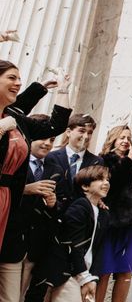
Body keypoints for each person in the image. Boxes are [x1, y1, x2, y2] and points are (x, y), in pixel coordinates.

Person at [0, 61, 72, 300]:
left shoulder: (15, 118)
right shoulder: (6, 121)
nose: (18, 83)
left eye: (20, 78)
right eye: (12, 77)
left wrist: (61, 90)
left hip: (8, 206)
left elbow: (55, 125)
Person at [0, 117, 63, 302]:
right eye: (43, 138)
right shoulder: (14, 159)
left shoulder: (57, 169)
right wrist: (25, 190)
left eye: (52, 140)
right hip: (9, 240)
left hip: (34, 246)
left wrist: (53, 204)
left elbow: (60, 209)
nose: (47, 143)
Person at [94, 126, 132, 302]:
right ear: (113, 139)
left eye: (128, 138)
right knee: (103, 270)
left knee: (126, 270)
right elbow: (111, 184)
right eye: (121, 137)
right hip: (111, 221)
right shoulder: (103, 160)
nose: (125, 141)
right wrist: (128, 160)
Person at [35, 165, 110, 302]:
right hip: (68, 273)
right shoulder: (79, 207)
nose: (106, 183)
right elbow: (74, 246)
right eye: (100, 179)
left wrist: (93, 277)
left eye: (107, 179)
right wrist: (85, 278)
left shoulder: (103, 213)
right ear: (85, 186)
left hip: (86, 274)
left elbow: (98, 249)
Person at [46, 114, 102, 212]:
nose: (86, 136)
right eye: (82, 131)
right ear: (68, 132)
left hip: (81, 217)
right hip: (53, 215)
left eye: (89, 133)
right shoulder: (51, 157)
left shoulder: (97, 162)